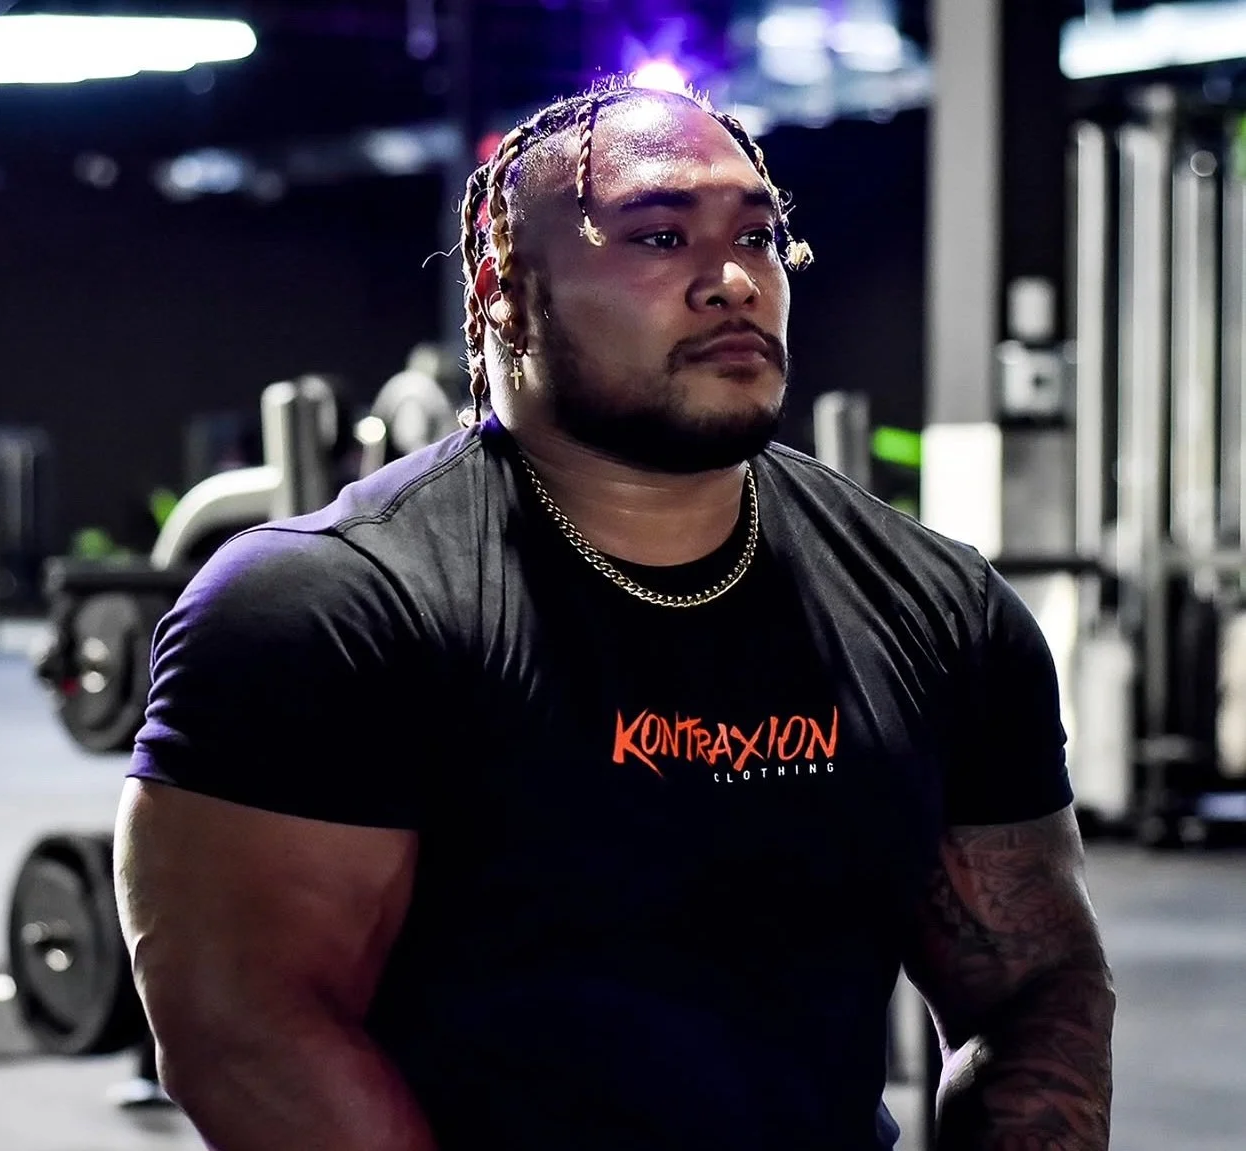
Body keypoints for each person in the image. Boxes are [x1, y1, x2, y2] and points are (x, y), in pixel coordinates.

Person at [115, 76, 1115, 1151]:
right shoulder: (321, 610)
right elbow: (248, 1028)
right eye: (657, 235)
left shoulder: (940, 608)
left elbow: (1037, 985)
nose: (732, 280)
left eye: (759, 235)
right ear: (503, 281)